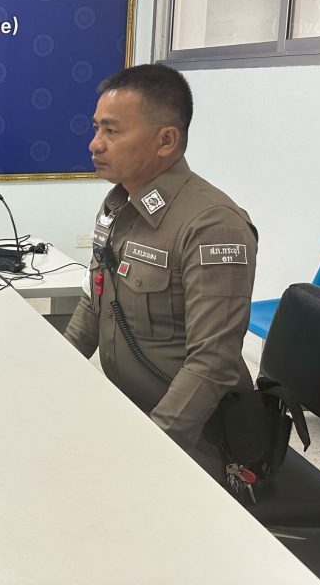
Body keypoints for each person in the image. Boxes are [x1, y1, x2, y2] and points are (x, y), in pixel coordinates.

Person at [62, 64, 258, 482]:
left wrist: (151, 450)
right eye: (96, 128)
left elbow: (212, 363)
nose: (95, 143)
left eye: (112, 131)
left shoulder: (212, 225)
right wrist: (53, 375)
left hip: (196, 434)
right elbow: (94, 303)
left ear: (166, 140)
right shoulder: (118, 205)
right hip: (128, 407)